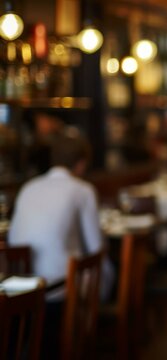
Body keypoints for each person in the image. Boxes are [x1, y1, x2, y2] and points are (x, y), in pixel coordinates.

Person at [9, 129, 114, 356]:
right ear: (81, 164)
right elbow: (95, 247)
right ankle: (94, 338)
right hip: (59, 293)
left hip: (20, 291)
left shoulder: (28, 187)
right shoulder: (83, 190)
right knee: (102, 272)